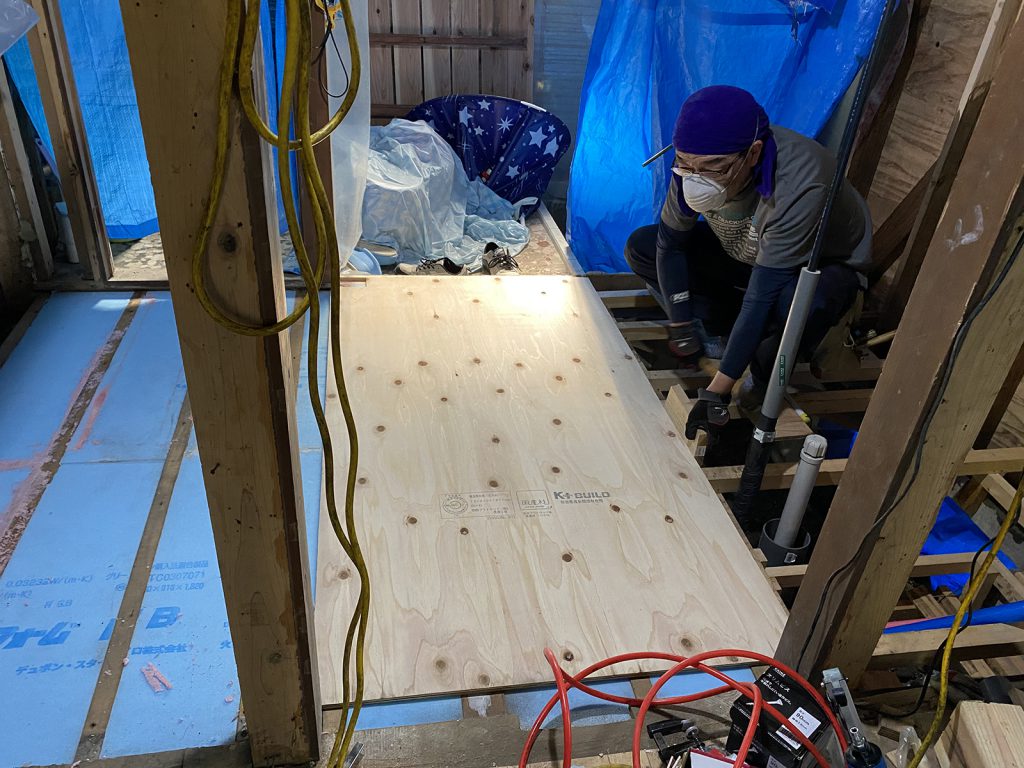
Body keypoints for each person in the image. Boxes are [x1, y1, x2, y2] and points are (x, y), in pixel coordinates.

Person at [624, 85, 872, 444]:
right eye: (685, 164)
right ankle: (724, 334)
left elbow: (762, 296)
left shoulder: (800, 183)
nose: (696, 179)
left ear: (753, 153)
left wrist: (718, 391)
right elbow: (669, 246)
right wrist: (680, 324)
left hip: (817, 267)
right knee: (642, 247)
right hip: (747, 254)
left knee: (792, 305)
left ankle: (759, 374)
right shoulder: (693, 165)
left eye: (714, 169)